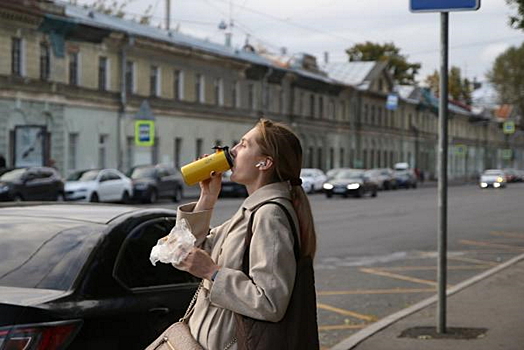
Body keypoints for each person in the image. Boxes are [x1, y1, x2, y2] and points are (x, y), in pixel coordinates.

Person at [174, 118, 317, 349]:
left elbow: (270, 302)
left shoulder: (270, 215)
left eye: (243, 144)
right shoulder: (251, 212)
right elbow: (182, 253)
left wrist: (213, 273)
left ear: (264, 163)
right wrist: (207, 197)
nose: (233, 151)